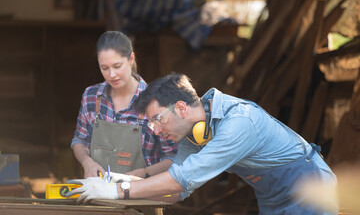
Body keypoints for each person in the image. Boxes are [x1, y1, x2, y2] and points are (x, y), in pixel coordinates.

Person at [67, 73, 338, 214]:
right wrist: (122, 182)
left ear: (181, 108)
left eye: (158, 120)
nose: (156, 130)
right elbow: (177, 191)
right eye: (150, 124)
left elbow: (180, 179)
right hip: (272, 196)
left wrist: (115, 192)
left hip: (310, 188)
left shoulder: (238, 123)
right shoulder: (194, 137)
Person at [71, 31, 177, 179]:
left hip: (143, 196)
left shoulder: (155, 101)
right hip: (98, 194)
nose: (111, 74)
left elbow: (173, 156)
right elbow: (79, 140)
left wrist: (144, 173)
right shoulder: (91, 96)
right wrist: (86, 162)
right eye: (104, 68)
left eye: (117, 66)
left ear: (131, 59)